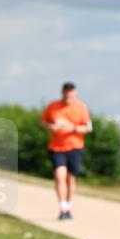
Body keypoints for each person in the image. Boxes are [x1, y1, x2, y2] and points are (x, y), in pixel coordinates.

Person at [41, 82, 92, 220]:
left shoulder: (81, 107)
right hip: (57, 147)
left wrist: (73, 128)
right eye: (66, 92)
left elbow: (88, 128)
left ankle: (68, 205)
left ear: (75, 93)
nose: (68, 95)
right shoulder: (53, 106)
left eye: (71, 92)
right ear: (62, 92)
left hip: (75, 146)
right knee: (59, 175)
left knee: (70, 178)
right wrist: (51, 127)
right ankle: (62, 207)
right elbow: (43, 122)